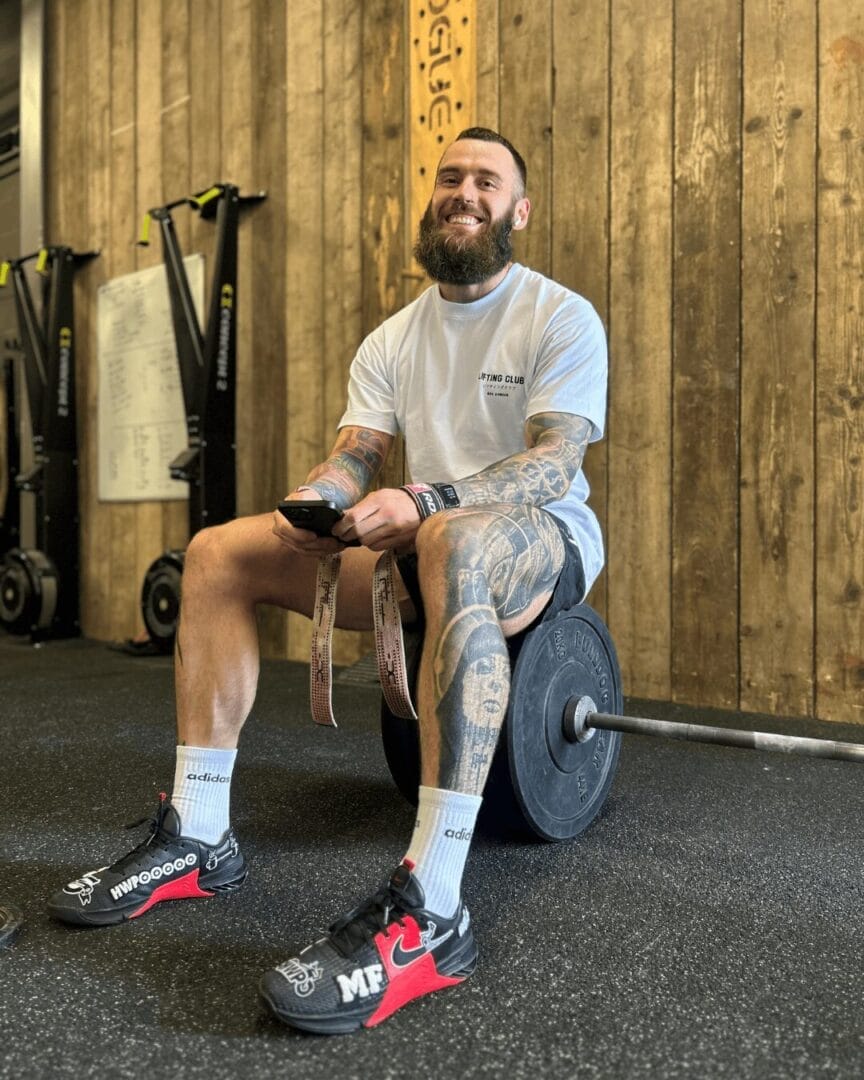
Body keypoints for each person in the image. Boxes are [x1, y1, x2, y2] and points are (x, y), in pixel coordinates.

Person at [48, 128, 608, 1034]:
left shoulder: (558, 315)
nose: (465, 192)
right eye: (451, 176)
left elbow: (554, 464)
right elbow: (358, 453)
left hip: (539, 543)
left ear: (520, 209)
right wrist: (322, 499)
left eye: (487, 181)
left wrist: (425, 500)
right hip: (423, 538)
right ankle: (199, 833)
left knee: (453, 539)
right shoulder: (394, 338)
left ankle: (435, 907)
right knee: (218, 554)